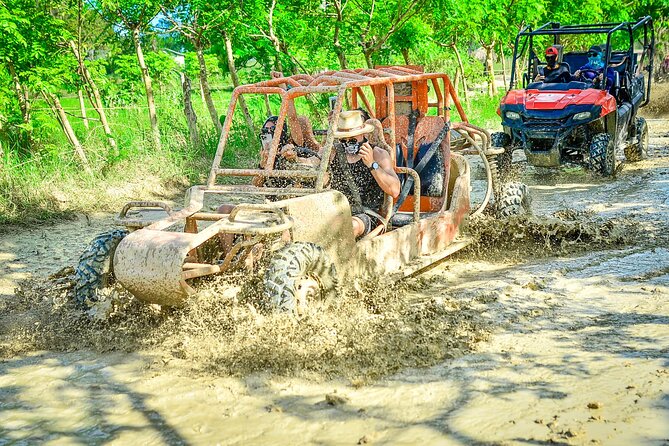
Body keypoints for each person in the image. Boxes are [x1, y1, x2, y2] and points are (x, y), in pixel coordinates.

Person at [329, 110, 400, 238]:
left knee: (350, 226)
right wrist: (294, 157)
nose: (348, 143)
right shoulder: (333, 153)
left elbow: (395, 190)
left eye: (352, 139)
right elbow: (313, 162)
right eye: (343, 140)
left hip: (366, 215)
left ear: (363, 134)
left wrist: (372, 164)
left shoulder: (378, 154)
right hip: (336, 211)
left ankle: (343, 257)